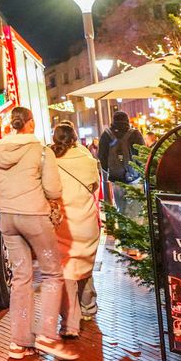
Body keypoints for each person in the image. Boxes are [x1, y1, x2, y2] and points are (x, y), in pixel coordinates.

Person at [0, 106, 76, 361]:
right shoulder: (41, 151)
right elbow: (53, 188)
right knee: (52, 273)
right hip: (34, 217)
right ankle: (47, 334)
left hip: (8, 220)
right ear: (31, 123)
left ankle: (19, 342)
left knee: (21, 277)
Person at [50, 122, 102, 337]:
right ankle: (89, 307)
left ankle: (71, 317)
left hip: (64, 223)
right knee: (85, 264)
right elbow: (94, 186)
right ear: (74, 138)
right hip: (87, 221)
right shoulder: (86, 159)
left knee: (67, 268)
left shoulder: (50, 159)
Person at [98, 111, 145, 216]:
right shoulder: (135, 134)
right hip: (135, 178)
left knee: (121, 208)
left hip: (116, 178)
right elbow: (142, 155)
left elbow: (102, 157)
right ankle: (134, 231)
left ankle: (123, 229)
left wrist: (109, 170)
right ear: (127, 121)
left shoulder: (106, 135)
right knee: (136, 211)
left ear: (113, 121)